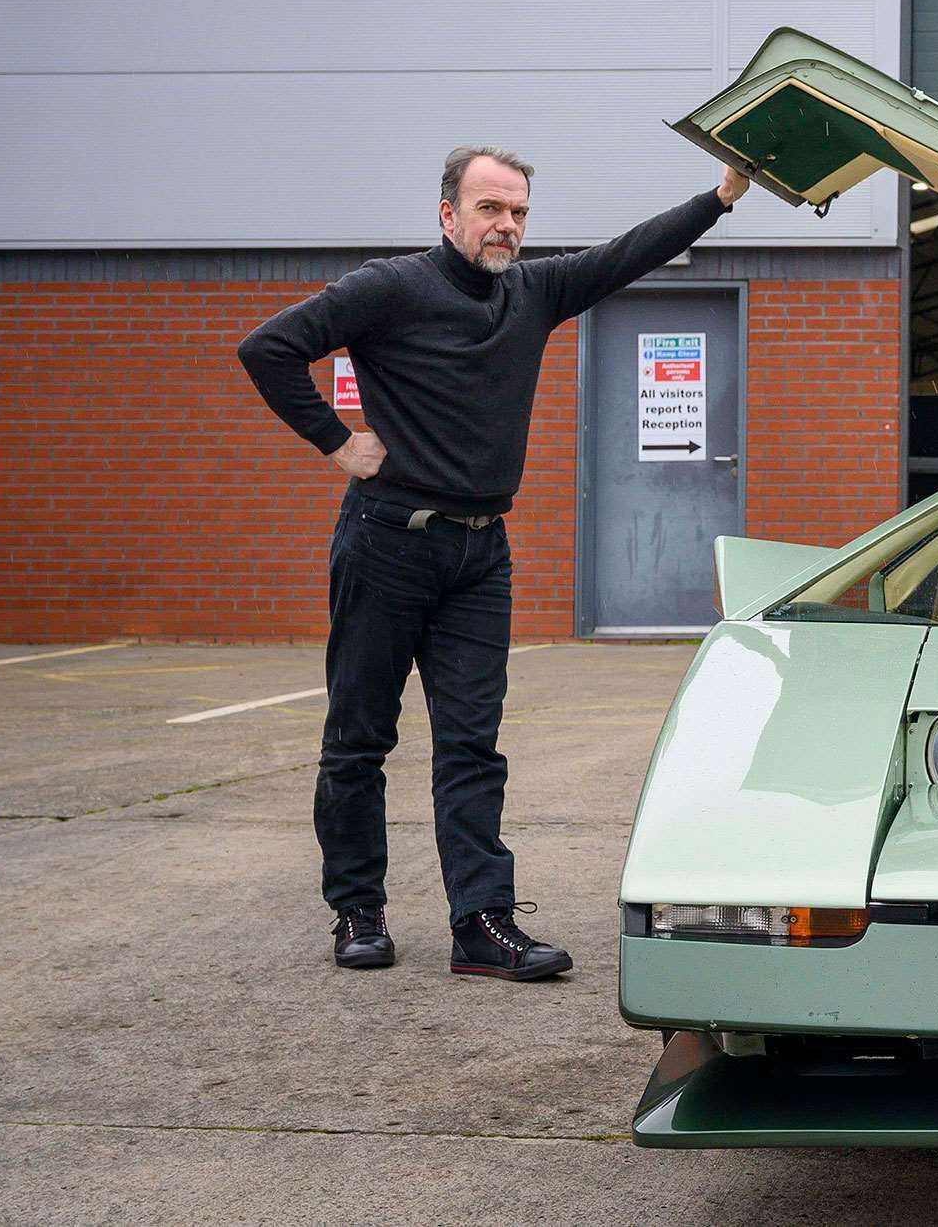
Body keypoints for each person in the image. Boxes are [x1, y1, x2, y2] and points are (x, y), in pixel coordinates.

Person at [238, 147, 750, 979]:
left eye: (517, 210)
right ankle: (358, 911)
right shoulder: (390, 288)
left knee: (473, 745)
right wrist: (338, 442)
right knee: (359, 736)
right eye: (488, 208)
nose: (505, 224)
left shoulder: (533, 291)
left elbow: (630, 251)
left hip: (481, 554)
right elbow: (268, 348)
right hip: (387, 541)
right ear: (448, 215)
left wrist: (721, 197)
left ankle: (483, 922)